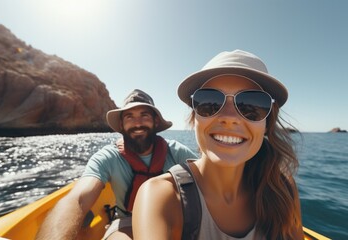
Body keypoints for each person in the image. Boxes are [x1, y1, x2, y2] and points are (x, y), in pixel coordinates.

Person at [132, 50, 304, 239]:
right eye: (209, 102)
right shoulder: (161, 196)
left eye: (251, 106)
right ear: (194, 118)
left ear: (266, 124)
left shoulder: (283, 189)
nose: (229, 118)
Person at [36, 89, 197, 240]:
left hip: (175, 218)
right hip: (127, 221)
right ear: (121, 125)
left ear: (155, 121)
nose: (137, 123)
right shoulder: (107, 157)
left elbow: (210, 177)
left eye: (144, 115)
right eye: (129, 117)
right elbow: (78, 198)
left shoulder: (176, 151)